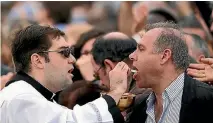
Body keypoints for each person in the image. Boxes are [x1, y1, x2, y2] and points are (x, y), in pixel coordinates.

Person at [0, 25, 128, 123]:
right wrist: (115, 92)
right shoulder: (20, 99)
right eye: (64, 52)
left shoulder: (28, 94)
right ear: (38, 60)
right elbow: (71, 120)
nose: (73, 59)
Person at [127, 22, 213, 123]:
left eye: (141, 49)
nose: (132, 56)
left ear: (164, 56)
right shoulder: (139, 105)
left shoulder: (206, 98)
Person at [91, 32, 151, 119]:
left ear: (109, 66)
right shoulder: (153, 85)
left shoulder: (137, 103)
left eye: (97, 74)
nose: (101, 82)